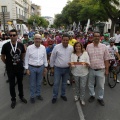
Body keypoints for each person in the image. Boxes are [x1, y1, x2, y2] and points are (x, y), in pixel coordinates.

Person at [1, 29, 27, 109]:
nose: (12, 37)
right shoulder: (5, 46)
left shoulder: (20, 45)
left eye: (14, 35)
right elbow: (2, 57)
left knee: (20, 83)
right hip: (10, 69)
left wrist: (20, 62)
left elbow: (23, 54)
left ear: (17, 36)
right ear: (9, 36)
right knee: (12, 85)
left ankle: (21, 96)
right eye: (11, 35)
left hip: (19, 68)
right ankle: (13, 99)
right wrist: (8, 63)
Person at [86, 31, 110, 106]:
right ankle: (92, 95)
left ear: (100, 37)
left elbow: (106, 59)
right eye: (95, 36)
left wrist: (107, 70)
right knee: (90, 84)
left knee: (101, 85)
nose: (96, 37)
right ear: (93, 37)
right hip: (91, 69)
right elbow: (86, 58)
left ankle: (100, 98)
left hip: (101, 70)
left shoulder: (104, 47)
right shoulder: (88, 46)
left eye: (98, 36)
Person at [50, 33, 73, 104]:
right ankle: (54, 96)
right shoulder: (56, 47)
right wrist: (52, 67)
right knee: (56, 83)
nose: (65, 41)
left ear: (69, 40)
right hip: (58, 68)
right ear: (61, 40)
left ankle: (63, 95)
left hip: (67, 69)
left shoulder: (71, 47)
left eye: (67, 40)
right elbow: (52, 57)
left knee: (64, 83)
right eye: (64, 40)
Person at [24, 34, 48, 103]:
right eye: (36, 38)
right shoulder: (29, 48)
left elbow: (45, 58)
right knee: (32, 83)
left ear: (41, 40)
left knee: (39, 83)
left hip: (41, 67)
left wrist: (45, 67)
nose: (37, 40)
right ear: (34, 39)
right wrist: (27, 68)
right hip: (32, 68)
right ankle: (32, 96)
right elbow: (26, 59)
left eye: (39, 39)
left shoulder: (43, 48)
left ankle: (38, 94)